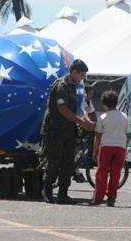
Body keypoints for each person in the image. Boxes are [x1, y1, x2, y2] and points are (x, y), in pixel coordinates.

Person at [41, 59, 95, 204]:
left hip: (69, 131)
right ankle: (47, 191)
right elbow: (62, 109)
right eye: (82, 75)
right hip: (55, 130)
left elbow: (80, 108)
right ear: (74, 72)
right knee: (53, 162)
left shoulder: (78, 86)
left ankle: (63, 194)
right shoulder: (61, 85)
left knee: (68, 163)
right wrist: (81, 122)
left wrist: (88, 121)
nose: (83, 78)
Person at [91, 90, 129, 206]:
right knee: (115, 174)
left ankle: (98, 198)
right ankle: (111, 198)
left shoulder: (103, 117)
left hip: (106, 147)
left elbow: (98, 136)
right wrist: (125, 149)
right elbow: (128, 134)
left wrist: (94, 151)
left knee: (102, 173)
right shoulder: (124, 116)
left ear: (104, 104)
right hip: (120, 147)